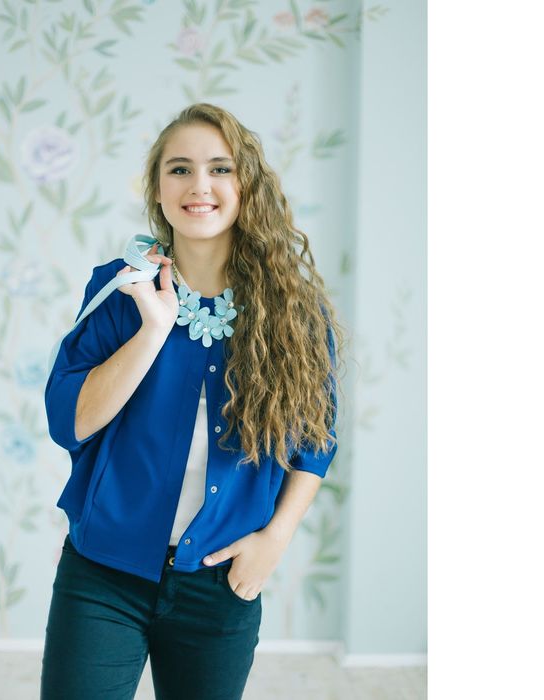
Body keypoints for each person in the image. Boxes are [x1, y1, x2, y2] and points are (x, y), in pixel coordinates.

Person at [40, 102, 344, 700]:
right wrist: (153, 330)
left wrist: (274, 540)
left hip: (221, 579)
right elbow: (70, 423)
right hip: (103, 573)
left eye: (220, 169)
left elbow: (315, 441)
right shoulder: (120, 289)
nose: (199, 185)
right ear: (158, 188)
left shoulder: (295, 310)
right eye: (179, 169)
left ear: (246, 185)